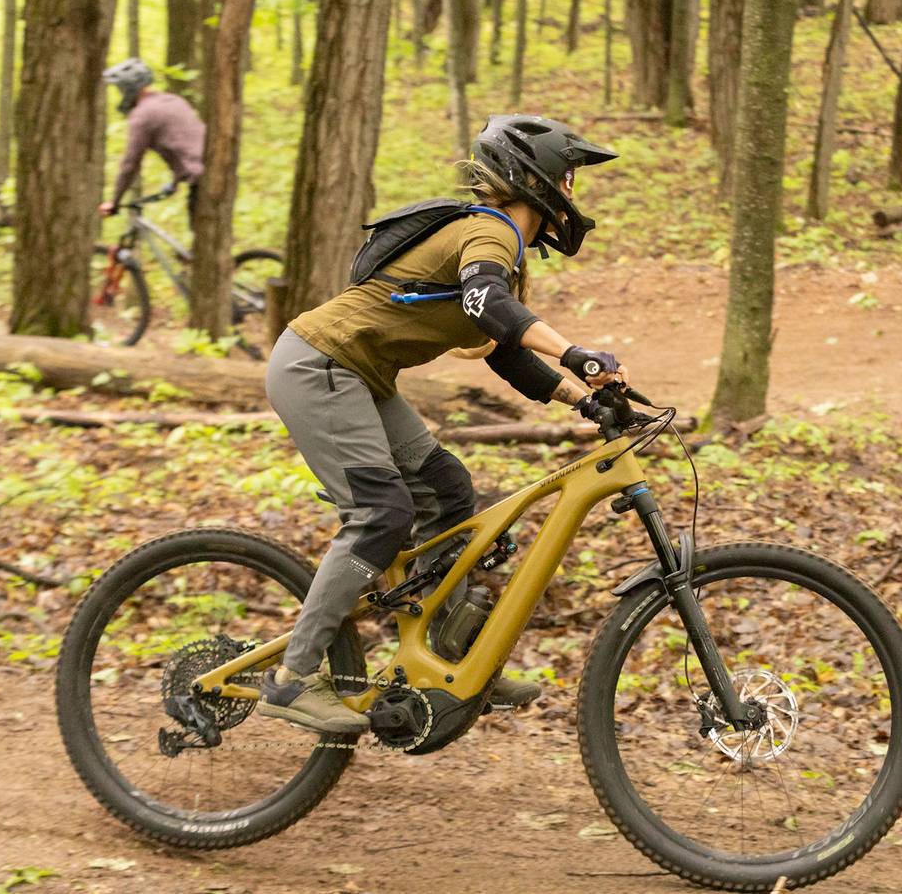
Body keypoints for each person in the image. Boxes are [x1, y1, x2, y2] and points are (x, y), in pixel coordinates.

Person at [257, 115, 627, 733]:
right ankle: (292, 680)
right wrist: (575, 353)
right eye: (567, 179)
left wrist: (581, 399)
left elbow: (506, 350)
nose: (571, 194)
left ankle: (452, 650)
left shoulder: (494, 239)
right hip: (319, 366)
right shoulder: (488, 231)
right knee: (381, 514)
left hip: (356, 374)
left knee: (447, 489)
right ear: (531, 176)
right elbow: (489, 304)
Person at [98, 58, 206, 224]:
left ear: (128, 88)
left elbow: (130, 163)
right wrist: (175, 182)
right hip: (209, 173)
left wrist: (115, 201)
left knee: (202, 242)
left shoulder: (143, 115)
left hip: (201, 182)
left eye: (120, 89)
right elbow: (188, 144)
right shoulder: (174, 100)